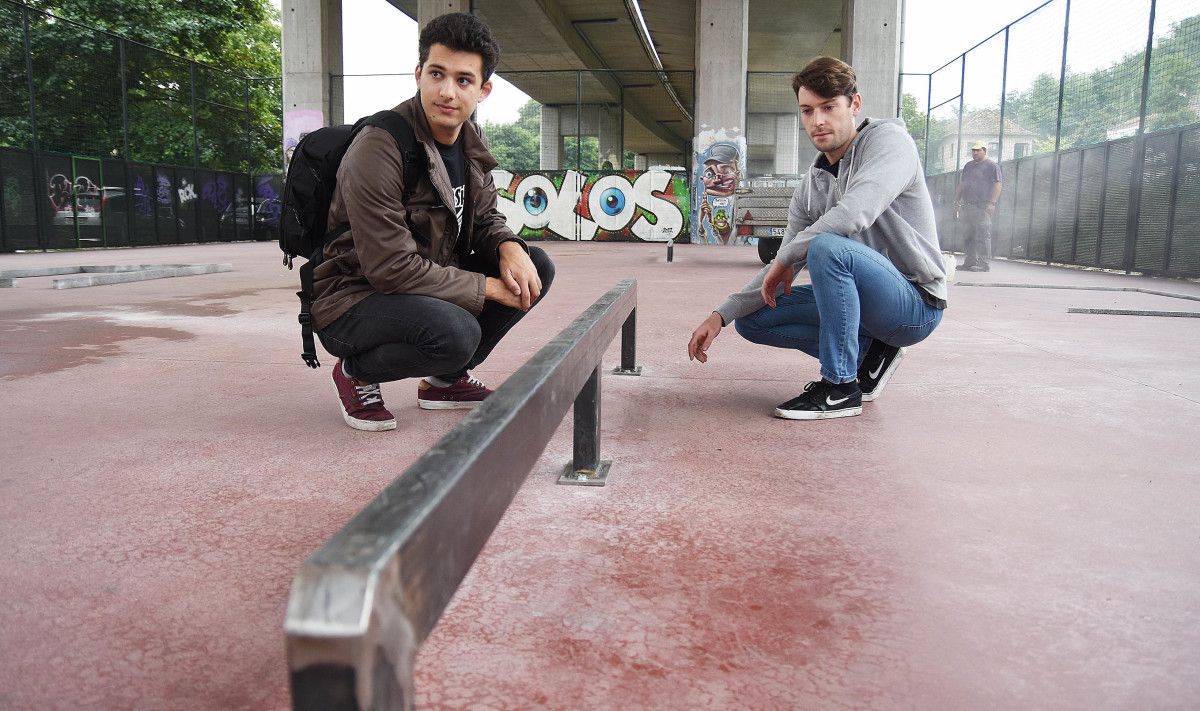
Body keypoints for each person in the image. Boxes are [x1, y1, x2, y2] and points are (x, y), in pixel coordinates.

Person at [311, 13, 554, 431]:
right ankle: (356, 371)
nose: (447, 91)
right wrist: (489, 287)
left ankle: (445, 380)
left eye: (463, 80)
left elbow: (483, 217)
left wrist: (509, 247)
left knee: (537, 266)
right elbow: (390, 269)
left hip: (419, 289)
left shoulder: (469, 143)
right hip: (352, 299)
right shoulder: (380, 147)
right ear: (419, 73)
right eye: (437, 74)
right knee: (456, 332)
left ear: (483, 90)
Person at [686, 56, 946, 420]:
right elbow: (783, 266)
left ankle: (841, 387)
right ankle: (871, 354)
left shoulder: (890, 142)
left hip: (914, 304)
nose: (818, 120)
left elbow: (854, 214)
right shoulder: (812, 185)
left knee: (828, 248)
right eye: (807, 111)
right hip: (869, 307)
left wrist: (786, 256)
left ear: (854, 104)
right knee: (755, 317)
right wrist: (720, 315)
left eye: (829, 107)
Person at [954, 141, 1002, 272]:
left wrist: (992, 203)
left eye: (978, 150)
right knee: (968, 235)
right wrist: (957, 201)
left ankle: (983, 263)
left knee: (983, 234)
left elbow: (998, 185)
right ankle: (970, 262)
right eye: (973, 150)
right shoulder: (968, 166)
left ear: (984, 151)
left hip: (982, 206)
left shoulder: (992, 166)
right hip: (967, 205)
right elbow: (962, 184)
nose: (975, 153)